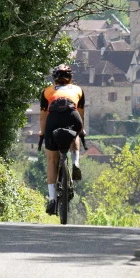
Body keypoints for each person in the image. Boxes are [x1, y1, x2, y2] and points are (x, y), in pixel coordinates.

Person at [39, 64, 85, 215]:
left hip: (53, 119)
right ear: (71, 78)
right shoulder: (78, 90)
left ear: (55, 79)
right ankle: (75, 161)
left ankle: (52, 199)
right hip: (72, 115)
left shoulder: (47, 91)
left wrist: (42, 132)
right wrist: (81, 130)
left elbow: (43, 115)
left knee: (52, 161)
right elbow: (80, 113)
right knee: (75, 133)